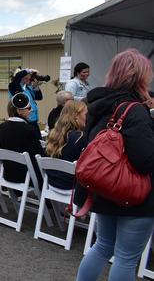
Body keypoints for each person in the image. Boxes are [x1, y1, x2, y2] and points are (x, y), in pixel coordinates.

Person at [74, 49, 154, 281]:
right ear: (140, 77)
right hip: (132, 194)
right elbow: (145, 160)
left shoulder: (98, 105)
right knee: (126, 257)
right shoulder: (135, 111)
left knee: (102, 246)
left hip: (103, 187)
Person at [0, 93, 45, 188]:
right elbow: (39, 155)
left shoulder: (2, 126)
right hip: (26, 176)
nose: (31, 111)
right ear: (19, 111)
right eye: (28, 108)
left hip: (7, 174)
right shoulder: (29, 129)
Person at [44, 100, 88, 190]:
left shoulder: (54, 134)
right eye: (86, 114)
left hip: (53, 184)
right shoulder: (80, 138)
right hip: (72, 188)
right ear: (76, 116)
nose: (88, 118)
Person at [8, 68, 43, 133]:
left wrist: (36, 87)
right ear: (22, 78)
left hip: (33, 120)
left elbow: (39, 97)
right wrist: (29, 70)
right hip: (23, 120)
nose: (30, 79)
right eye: (27, 77)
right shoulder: (14, 87)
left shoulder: (27, 88)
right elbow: (17, 77)